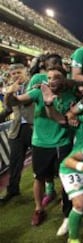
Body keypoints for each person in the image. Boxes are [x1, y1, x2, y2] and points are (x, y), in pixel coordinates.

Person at [5, 66, 76, 226]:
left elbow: (66, 119)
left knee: (65, 177)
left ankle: (67, 205)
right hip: (40, 143)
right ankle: (38, 209)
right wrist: (10, 93)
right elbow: (15, 102)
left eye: (56, 77)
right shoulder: (38, 92)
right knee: (39, 177)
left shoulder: (70, 96)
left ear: (64, 79)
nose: (51, 81)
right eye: (49, 77)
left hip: (62, 143)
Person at [0, 64, 34, 203]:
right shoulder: (11, 89)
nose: (15, 75)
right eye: (13, 73)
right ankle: (12, 190)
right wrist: (9, 93)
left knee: (40, 162)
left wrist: (13, 93)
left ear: (25, 72)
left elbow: (28, 101)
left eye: (18, 72)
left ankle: (48, 188)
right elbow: (8, 109)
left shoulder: (33, 84)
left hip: (34, 128)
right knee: (15, 163)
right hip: (17, 130)